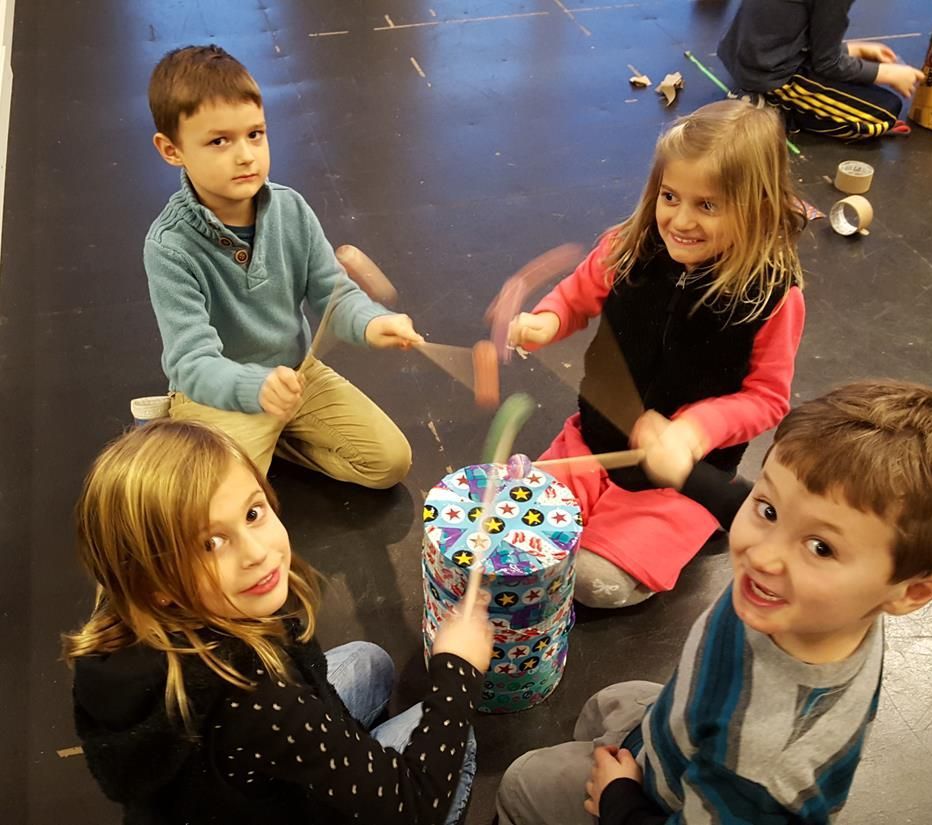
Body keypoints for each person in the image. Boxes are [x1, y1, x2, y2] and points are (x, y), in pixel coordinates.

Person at [496, 379, 932, 825]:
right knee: (611, 702)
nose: (761, 555)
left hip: (666, 802)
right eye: (769, 510)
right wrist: (682, 469)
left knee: (523, 781)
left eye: (821, 547)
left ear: (915, 592)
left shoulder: (766, 761)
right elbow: (745, 502)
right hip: (680, 718)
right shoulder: (836, 599)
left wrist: (619, 801)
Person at [64, 420, 493, 824]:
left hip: (200, 792)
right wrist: (458, 670)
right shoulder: (254, 700)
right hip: (267, 793)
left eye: (252, 514)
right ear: (154, 580)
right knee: (457, 744)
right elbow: (413, 804)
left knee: (368, 662)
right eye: (210, 543)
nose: (254, 552)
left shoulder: (132, 612)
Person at [507, 99, 806, 608]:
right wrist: (546, 322)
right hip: (592, 442)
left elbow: (767, 398)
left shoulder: (773, 296)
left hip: (679, 481)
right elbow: (577, 297)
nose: (681, 220)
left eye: (707, 205)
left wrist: (691, 433)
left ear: (756, 207)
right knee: (515, 539)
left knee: (591, 582)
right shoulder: (626, 246)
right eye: (670, 196)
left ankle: (701, 515)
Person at [145, 45, 422, 486]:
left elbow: (334, 295)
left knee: (389, 462)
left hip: (296, 376)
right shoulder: (170, 246)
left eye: (255, 134)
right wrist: (254, 388)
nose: (245, 156)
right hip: (221, 392)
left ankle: (273, 444)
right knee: (214, 499)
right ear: (171, 149)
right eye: (219, 141)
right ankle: (214, 441)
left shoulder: (291, 210)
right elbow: (191, 364)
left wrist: (372, 323)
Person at [717, 0, 926, 139]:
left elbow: (789, 26)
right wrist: (885, 74)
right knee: (884, 114)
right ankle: (777, 107)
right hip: (769, 73)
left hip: (744, 53)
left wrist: (851, 49)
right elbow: (827, 63)